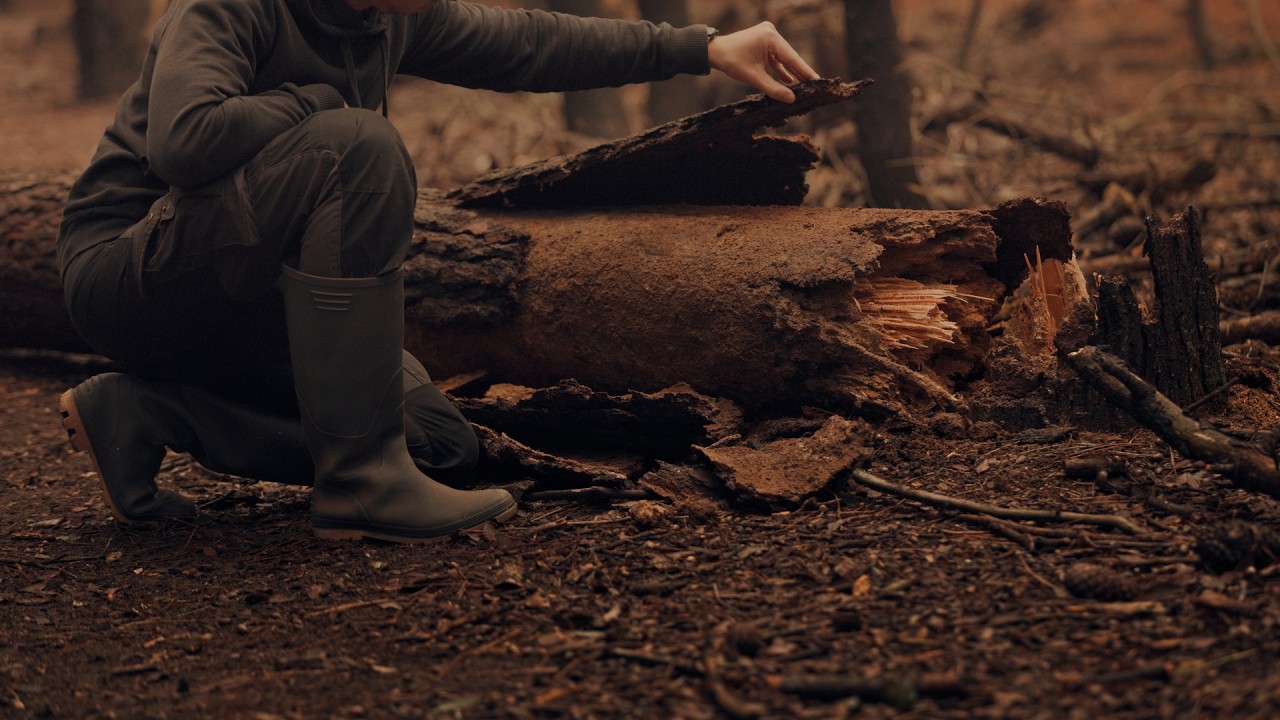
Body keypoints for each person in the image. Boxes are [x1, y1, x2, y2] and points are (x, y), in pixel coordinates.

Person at [55, 0, 820, 543]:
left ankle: (151, 415)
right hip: (130, 275)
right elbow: (183, 140)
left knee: (437, 444)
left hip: (247, 303)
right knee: (358, 146)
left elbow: (529, 43)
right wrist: (309, 102)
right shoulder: (234, 6)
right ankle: (359, 484)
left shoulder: (383, 16)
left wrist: (702, 48)